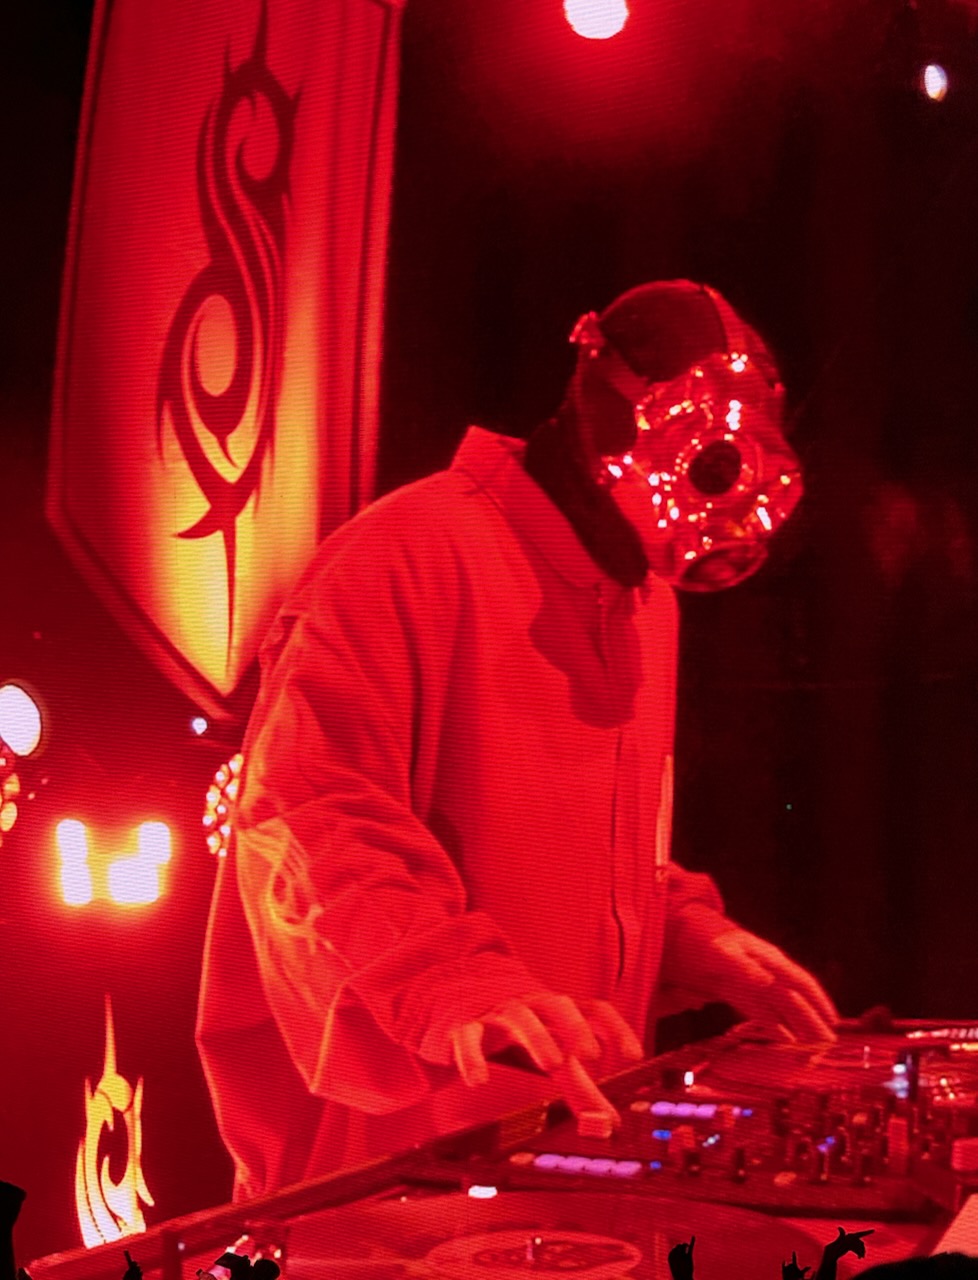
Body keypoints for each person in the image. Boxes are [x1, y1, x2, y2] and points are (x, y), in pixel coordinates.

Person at [197, 279, 839, 1201]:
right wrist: (454, 988)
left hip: (566, 1162)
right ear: (606, 413)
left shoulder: (645, 605)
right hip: (388, 1176)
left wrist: (685, 935)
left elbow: (594, 863)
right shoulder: (403, 554)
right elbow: (311, 822)